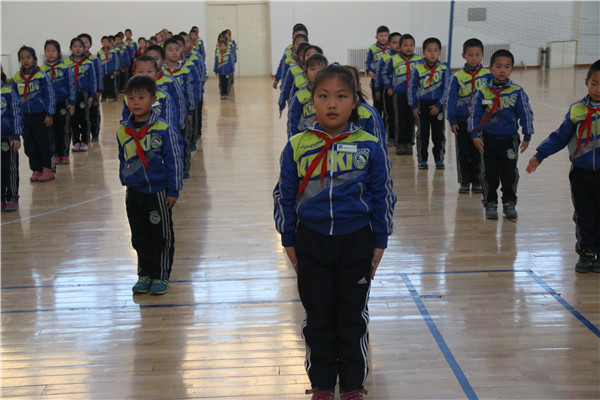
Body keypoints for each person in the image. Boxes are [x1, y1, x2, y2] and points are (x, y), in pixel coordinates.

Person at [273, 63, 396, 400]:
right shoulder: (297, 145)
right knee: (318, 316)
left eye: (341, 96)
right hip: (311, 241)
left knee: (352, 315)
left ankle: (353, 384)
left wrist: (380, 241)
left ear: (354, 101)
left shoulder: (369, 146)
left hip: (356, 241)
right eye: (323, 96)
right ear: (312, 101)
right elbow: (283, 195)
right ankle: (323, 383)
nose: (332, 104)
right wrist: (289, 240)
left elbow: (383, 194)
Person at [526, 60, 600, 273]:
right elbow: (560, 137)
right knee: (584, 214)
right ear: (586, 83)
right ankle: (586, 252)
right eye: (594, 84)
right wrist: (540, 155)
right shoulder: (577, 110)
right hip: (581, 174)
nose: (598, 89)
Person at [117, 75, 184, 295]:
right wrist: (124, 178)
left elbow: (175, 159)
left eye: (142, 97)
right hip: (134, 192)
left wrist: (173, 190)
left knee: (161, 236)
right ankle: (143, 274)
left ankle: (160, 274)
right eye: (131, 98)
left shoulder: (163, 129)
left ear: (153, 99)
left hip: (157, 192)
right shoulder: (123, 131)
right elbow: (122, 157)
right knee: (139, 235)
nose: (135, 102)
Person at [468, 49, 534, 220]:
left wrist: (527, 135)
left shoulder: (517, 91)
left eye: (507, 67)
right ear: (490, 68)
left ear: (512, 69)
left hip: (509, 140)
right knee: (488, 173)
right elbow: (474, 113)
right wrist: (474, 134)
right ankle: (490, 202)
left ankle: (509, 202)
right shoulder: (483, 92)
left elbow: (525, 113)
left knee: (509, 172)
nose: (502, 70)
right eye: (498, 66)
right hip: (487, 140)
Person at [447, 38, 492, 193]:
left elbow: (493, 96)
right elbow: (451, 99)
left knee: (479, 152)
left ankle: (478, 180)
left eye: (477, 55)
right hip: (462, 121)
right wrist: (452, 119)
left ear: (482, 55)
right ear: (463, 56)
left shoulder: (488, 75)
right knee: (463, 152)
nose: (474, 58)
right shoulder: (457, 77)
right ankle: (464, 181)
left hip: (481, 122)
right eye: (470, 55)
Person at [12, 46, 56, 182]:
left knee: (42, 142)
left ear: (35, 59)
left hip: (40, 115)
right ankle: (36, 169)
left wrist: (49, 114)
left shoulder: (41, 76)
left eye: (28, 58)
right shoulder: (16, 78)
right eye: (22, 58)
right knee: (29, 145)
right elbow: (14, 99)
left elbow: (50, 95)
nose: (25, 61)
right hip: (25, 116)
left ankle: (47, 168)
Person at [409, 37, 451, 170]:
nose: (432, 53)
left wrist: (439, 105)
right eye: (429, 50)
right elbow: (412, 88)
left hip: (437, 105)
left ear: (439, 52)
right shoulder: (417, 68)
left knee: (439, 134)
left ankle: (439, 158)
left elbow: (447, 89)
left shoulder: (444, 69)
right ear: (423, 52)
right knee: (422, 134)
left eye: (435, 50)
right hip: (422, 106)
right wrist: (413, 106)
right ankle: (422, 159)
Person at [382, 33, 422, 155]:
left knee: (411, 119)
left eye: (411, 45)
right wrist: (389, 87)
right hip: (399, 94)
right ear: (399, 47)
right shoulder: (393, 60)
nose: (409, 48)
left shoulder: (419, 60)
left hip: (414, 96)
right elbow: (384, 74)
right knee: (400, 119)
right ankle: (400, 144)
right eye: (405, 45)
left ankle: (409, 143)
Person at [41, 39, 76, 165]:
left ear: (59, 52)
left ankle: (65, 153)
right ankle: (56, 154)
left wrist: (72, 103)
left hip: (63, 102)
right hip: (48, 106)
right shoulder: (41, 70)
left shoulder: (65, 68)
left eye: (53, 51)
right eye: (47, 51)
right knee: (52, 130)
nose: (50, 53)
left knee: (64, 129)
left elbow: (72, 86)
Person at [122, 55, 177, 128]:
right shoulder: (128, 97)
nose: (145, 75)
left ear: (156, 75)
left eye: (149, 71)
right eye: (141, 71)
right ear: (134, 75)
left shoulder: (164, 97)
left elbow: (170, 123)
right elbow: (126, 119)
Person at [64, 37, 96, 153]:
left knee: (84, 118)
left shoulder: (88, 63)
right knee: (73, 119)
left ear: (84, 48)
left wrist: (92, 95)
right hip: (71, 96)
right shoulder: (66, 63)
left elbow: (92, 80)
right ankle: (76, 141)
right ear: (71, 48)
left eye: (80, 47)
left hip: (84, 94)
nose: (78, 49)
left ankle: (85, 141)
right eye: (75, 46)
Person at [146, 45, 186, 133]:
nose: (152, 62)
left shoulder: (171, 81)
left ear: (163, 61)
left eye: (156, 59)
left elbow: (179, 103)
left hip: (167, 128)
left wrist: (178, 125)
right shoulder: (138, 84)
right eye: (149, 59)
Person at [287, 53, 328, 137]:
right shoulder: (299, 95)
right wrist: (293, 140)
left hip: (326, 136)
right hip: (305, 137)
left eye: (321, 68)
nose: (317, 72)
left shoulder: (332, 94)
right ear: (306, 73)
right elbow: (293, 120)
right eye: (313, 69)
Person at [347, 65, 387, 147]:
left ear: (358, 86)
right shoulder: (332, 111)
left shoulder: (369, 113)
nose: (345, 84)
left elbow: (379, 147)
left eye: (349, 79)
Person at [1, 68, 23, 211]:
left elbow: (16, 115)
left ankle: (12, 197)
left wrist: (16, 136)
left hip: (7, 138)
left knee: (10, 168)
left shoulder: (8, 92)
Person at [375, 32, 401, 147]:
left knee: (402, 116)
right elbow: (379, 74)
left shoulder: (406, 58)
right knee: (390, 114)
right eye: (394, 43)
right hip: (389, 92)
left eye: (399, 43)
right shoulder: (385, 58)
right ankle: (391, 136)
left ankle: (403, 137)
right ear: (389, 44)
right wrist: (377, 89)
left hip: (402, 92)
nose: (397, 45)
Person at [77, 33, 103, 142]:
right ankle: (83, 135)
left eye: (86, 42)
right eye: (81, 43)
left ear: (90, 45)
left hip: (93, 91)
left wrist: (98, 89)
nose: (83, 45)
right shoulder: (75, 61)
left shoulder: (94, 59)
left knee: (94, 113)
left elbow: (99, 74)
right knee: (82, 115)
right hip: (81, 93)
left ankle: (95, 133)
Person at [273, 23, 308, 89]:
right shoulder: (288, 50)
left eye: (303, 36)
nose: (300, 39)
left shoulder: (310, 51)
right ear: (292, 38)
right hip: (289, 85)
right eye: (297, 36)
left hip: (303, 86)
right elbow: (282, 65)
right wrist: (277, 79)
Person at [365, 25, 390, 118]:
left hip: (388, 78)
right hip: (376, 78)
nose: (383, 38)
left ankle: (386, 123)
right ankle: (377, 120)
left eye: (386, 35)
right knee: (377, 101)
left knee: (387, 102)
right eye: (381, 36)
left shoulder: (391, 48)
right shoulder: (372, 48)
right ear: (376, 37)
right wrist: (369, 71)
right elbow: (368, 61)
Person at [98, 35, 120, 102]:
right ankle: (104, 97)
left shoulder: (113, 52)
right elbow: (98, 62)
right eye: (104, 41)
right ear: (101, 43)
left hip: (111, 72)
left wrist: (116, 69)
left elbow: (116, 61)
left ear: (109, 43)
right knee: (104, 85)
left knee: (112, 84)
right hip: (103, 72)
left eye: (107, 41)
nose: (105, 43)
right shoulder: (99, 52)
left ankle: (114, 96)